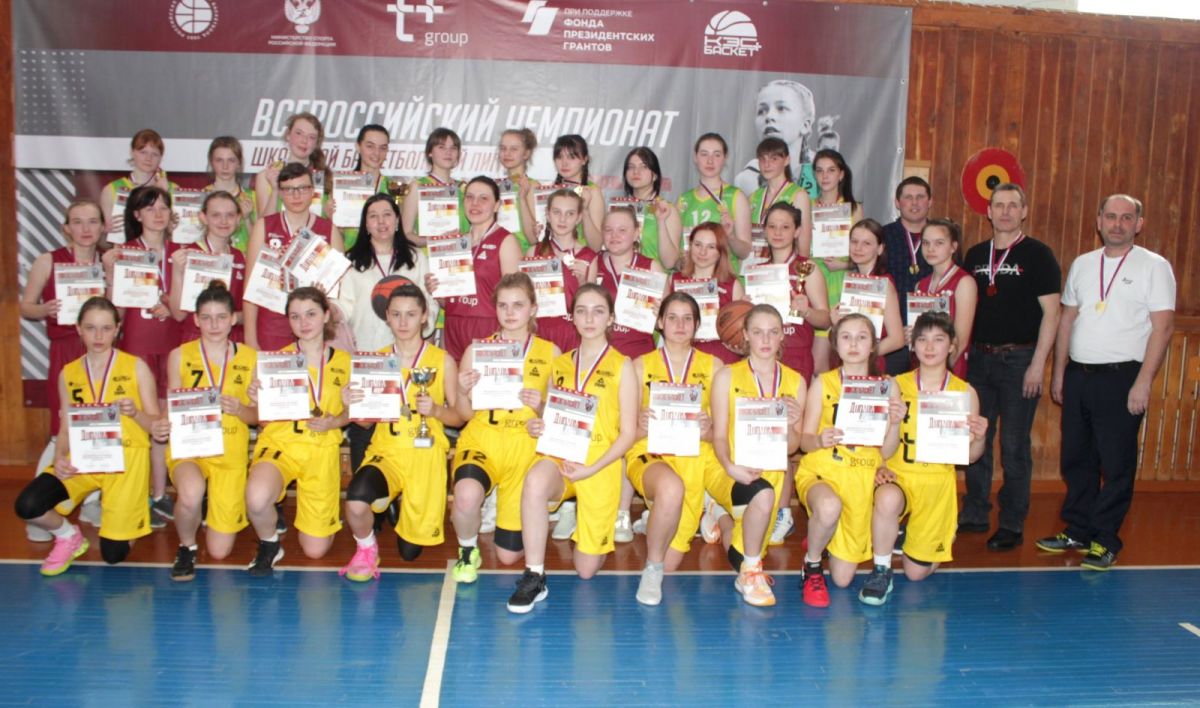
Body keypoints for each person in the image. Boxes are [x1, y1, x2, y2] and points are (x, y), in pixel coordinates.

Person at [1037, 194, 1175, 570]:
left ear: (1138, 224)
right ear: (1098, 221)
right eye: (1111, 216)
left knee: (1116, 463)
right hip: (1079, 375)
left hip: (1122, 377)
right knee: (1076, 458)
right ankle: (1078, 529)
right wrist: (1059, 372)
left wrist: (1143, 382)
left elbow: (1163, 329)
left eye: (1126, 218)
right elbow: (1067, 319)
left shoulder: (1154, 267)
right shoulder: (1083, 264)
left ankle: (1105, 539)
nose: (1117, 224)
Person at [506, 284, 638, 613]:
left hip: (600, 465)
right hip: (561, 456)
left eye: (598, 311)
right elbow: (555, 415)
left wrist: (591, 469)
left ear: (611, 318)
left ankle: (589, 519)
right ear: (572, 318)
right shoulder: (561, 363)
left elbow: (628, 434)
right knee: (534, 481)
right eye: (581, 311)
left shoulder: (624, 366)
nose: (589, 318)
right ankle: (534, 574)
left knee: (586, 570)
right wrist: (540, 422)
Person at [14, 297, 160, 575]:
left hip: (126, 461)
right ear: (79, 329)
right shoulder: (68, 373)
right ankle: (69, 536)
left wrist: (135, 414)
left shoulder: (136, 367)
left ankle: (129, 512)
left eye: (106, 328)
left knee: (113, 555)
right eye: (91, 328)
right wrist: (60, 457)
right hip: (84, 458)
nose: (98, 336)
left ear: (117, 329)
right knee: (28, 504)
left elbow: (155, 426)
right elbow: (66, 426)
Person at [959, 184, 1061, 551]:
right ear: (988, 212)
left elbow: (1052, 314)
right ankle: (975, 512)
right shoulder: (975, 255)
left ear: (1024, 211)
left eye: (1012, 205)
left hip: (1019, 360)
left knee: (1015, 445)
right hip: (979, 358)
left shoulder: (1038, 254)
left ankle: (1012, 522)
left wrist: (1038, 364)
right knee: (976, 438)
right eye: (999, 205)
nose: (1005, 212)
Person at [338, 284, 463, 581]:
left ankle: (392, 501)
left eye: (411, 314)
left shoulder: (442, 361)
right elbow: (364, 424)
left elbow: (458, 418)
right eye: (396, 314)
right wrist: (351, 406)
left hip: (425, 456)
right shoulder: (375, 361)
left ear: (424, 316)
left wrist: (436, 410)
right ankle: (366, 548)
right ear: (387, 317)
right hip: (387, 453)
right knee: (355, 500)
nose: (403, 322)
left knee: (409, 553)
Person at [867, 311, 987, 605]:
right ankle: (881, 570)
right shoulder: (894, 384)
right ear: (913, 345)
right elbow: (878, 445)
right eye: (922, 339)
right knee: (887, 499)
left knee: (915, 574)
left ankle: (937, 536)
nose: (929, 347)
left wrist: (980, 436)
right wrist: (881, 462)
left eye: (938, 339)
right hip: (899, 475)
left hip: (936, 484)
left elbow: (971, 457)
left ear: (952, 345)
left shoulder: (965, 393)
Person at [450, 273, 558, 583]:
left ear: (533, 309)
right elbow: (464, 414)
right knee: (466, 496)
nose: (510, 313)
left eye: (518, 305)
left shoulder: (550, 353)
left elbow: (558, 417)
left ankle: (522, 506)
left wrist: (541, 406)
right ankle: (467, 550)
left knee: (508, 556)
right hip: (484, 437)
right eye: (503, 305)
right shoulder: (476, 351)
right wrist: (461, 391)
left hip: (525, 445)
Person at [795, 313, 903, 607]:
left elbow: (887, 452)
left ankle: (828, 534)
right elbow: (804, 441)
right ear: (835, 344)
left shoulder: (888, 387)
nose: (853, 344)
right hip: (823, 470)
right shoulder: (823, 383)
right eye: (846, 337)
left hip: (862, 475)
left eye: (861, 337)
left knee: (842, 579)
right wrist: (819, 440)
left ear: (873, 345)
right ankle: (812, 564)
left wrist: (895, 423)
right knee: (829, 506)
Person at [244, 287, 350, 575]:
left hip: (321, 449)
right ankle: (269, 543)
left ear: (326, 315)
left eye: (311, 314)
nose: (303, 323)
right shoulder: (272, 362)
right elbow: (258, 418)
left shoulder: (346, 363)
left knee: (315, 551)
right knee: (256, 497)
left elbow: (356, 416)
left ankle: (326, 518)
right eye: (295, 316)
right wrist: (256, 399)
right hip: (281, 443)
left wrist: (337, 419)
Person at [625, 292, 723, 604]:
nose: (680, 325)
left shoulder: (715, 367)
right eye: (672, 318)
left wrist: (709, 431)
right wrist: (641, 424)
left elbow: (722, 433)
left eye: (687, 319)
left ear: (697, 325)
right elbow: (625, 431)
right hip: (649, 451)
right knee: (670, 488)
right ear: (659, 323)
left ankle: (656, 519)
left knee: (673, 561)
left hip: (694, 457)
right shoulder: (638, 366)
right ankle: (651, 569)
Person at [706, 304, 806, 606]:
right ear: (746, 335)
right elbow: (718, 435)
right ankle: (751, 574)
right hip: (727, 467)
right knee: (761, 501)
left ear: (782, 336)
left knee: (739, 551)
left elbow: (792, 447)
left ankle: (719, 516)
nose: (766, 339)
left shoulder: (795, 382)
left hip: (769, 473)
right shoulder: (726, 376)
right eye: (758, 332)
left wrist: (790, 423)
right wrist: (730, 467)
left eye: (773, 332)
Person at [19, 200, 108, 540]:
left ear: (102, 226)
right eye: (78, 222)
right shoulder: (49, 261)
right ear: (66, 227)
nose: (86, 229)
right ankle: (39, 509)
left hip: (102, 352)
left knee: (98, 425)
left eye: (92, 221)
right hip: (67, 350)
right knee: (63, 429)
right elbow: (25, 306)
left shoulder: (108, 262)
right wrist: (45, 309)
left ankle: (91, 501)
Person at [163, 282, 258, 581]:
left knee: (219, 551)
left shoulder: (252, 358)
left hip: (230, 453)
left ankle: (207, 512)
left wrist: (240, 409)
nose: (214, 325)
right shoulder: (179, 356)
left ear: (233, 319)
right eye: (206, 317)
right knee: (191, 493)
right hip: (190, 446)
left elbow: (257, 418)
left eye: (221, 317)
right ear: (196, 319)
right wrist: (162, 424)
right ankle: (187, 546)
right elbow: (171, 408)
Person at [335, 192, 436, 472]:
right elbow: (344, 307)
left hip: (409, 360)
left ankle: (407, 486)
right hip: (369, 359)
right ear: (365, 224)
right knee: (365, 430)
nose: (381, 222)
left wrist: (425, 323)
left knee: (409, 426)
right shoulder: (350, 261)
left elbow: (429, 304)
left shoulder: (416, 259)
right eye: (373, 216)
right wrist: (328, 309)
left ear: (398, 221)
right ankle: (365, 488)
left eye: (387, 215)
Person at [103, 185, 181, 528]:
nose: (158, 214)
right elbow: (116, 312)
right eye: (150, 208)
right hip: (137, 345)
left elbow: (185, 309)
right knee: (142, 424)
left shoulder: (181, 253)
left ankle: (161, 494)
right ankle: (143, 494)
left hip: (174, 344)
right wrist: (111, 275)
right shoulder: (125, 253)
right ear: (136, 214)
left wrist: (170, 305)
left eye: (163, 207)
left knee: (165, 422)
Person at [758, 202, 831, 544]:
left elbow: (825, 318)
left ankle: (784, 512)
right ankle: (764, 503)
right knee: (763, 433)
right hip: (763, 357)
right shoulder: (757, 269)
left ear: (798, 231)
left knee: (786, 435)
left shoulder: (808, 269)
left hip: (795, 356)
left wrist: (807, 310)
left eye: (785, 226)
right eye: (772, 226)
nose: (778, 232)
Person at [244, 162, 344, 352]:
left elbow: (339, 291)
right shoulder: (264, 226)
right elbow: (250, 287)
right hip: (272, 326)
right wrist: (250, 338)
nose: (296, 196)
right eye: (289, 190)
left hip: (314, 329)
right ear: (280, 193)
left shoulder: (329, 230)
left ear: (313, 191)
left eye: (302, 188)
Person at [425, 176, 522, 361]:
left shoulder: (506, 240)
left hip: (489, 325)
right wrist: (436, 291)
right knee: (452, 379)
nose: (475, 203)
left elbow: (515, 298)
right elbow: (449, 302)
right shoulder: (453, 243)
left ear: (497, 205)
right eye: (469, 197)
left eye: (483, 198)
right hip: (453, 326)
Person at [167, 190, 247, 344]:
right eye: (216, 215)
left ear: (238, 218)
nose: (224, 221)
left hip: (233, 340)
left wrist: (232, 317)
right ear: (203, 217)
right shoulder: (188, 255)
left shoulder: (241, 258)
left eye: (230, 215)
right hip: (195, 339)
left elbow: (248, 314)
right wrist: (177, 271)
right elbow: (178, 315)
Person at [810, 149, 864, 373]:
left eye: (831, 170)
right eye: (820, 170)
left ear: (841, 174)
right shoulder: (807, 206)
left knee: (844, 355)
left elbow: (864, 254)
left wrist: (842, 264)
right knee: (816, 364)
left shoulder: (854, 209)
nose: (825, 176)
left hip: (841, 282)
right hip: (813, 282)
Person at [585, 206, 663, 361]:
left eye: (622, 230)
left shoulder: (651, 267)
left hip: (640, 356)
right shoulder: (593, 263)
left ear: (636, 233)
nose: (614, 235)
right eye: (608, 230)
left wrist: (660, 315)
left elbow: (664, 323)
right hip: (600, 355)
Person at [829, 218, 907, 369]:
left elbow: (897, 339)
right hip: (852, 361)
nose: (858, 248)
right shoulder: (852, 280)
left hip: (872, 365)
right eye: (854, 241)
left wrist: (863, 356)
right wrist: (836, 324)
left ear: (880, 249)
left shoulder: (884, 284)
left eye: (867, 243)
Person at [526, 188, 596, 353]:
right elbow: (524, 297)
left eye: (570, 214)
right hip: (539, 330)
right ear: (548, 214)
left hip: (574, 333)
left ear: (579, 218)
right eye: (557, 212)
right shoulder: (533, 252)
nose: (562, 219)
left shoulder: (589, 257)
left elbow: (591, 306)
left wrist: (582, 282)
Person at [669, 222, 744, 364]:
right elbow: (662, 325)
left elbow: (742, 337)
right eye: (698, 245)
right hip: (683, 359)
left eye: (711, 247)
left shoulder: (732, 285)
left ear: (721, 251)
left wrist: (745, 321)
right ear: (690, 246)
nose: (702, 252)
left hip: (721, 360)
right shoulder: (674, 280)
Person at [882, 177, 935, 375]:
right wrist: (896, 331)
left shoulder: (941, 237)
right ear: (897, 202)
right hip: (892, 338)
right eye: (908, 197)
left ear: (930, 202)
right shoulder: (883, 236)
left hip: (931, 337)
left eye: (920, 197)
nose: (914, 203)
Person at [677, 134, 752, 273]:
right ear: (695, 157)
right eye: (704, 154)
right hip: (691, 279)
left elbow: (744, 252)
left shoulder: (736, 196)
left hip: (723, 279)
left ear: (725, 158)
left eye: (717, 155)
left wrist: (730, 237)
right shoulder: (684, 199)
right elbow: (677, 249)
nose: (710, 161)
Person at [913, 218, 976, 378]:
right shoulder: (920, 285)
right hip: (922, 367)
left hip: (950, 369)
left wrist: (940, 373)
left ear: (953, 247)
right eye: (926, 243)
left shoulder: (964, 282)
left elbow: (960, 340)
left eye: (939, 243)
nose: (930, 249)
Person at [734, 80, 818, 198]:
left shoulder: (821, 170)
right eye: (761, 111)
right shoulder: (748, 179)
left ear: (806, 125)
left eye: (781, 108)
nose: (769, 117)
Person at [98, 128, 176, 242]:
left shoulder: (173, 189)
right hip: (124, 250)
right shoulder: (111, 190)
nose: (148, 158)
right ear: (132, 152)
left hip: (162, 250)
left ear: (161, 158)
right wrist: (104, 231)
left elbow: (177, 235)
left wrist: (162, 194)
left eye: (154, 154)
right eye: (143, 152)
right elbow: (105, 240)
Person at [254, 112, 331, 219]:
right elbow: (264, 224)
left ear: (317, 143)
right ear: (288, 135)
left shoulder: (324, 177)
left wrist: (330, 216)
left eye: (311, 137)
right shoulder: (266, 176)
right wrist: (275, 190)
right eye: (299, 133)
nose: (304, 141)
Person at [401, 127, 469, 247]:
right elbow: (406, 234)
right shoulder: (417, 187)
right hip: (429, 256)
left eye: (453, 148)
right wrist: (436, 241)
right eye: (441, 147)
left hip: (462, 255)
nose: (448, 152)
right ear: (430, 152)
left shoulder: (464, 188)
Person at [748, 137, 813, 255]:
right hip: (754, 263)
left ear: (787, 160)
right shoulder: (754, 197)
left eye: (774, 159)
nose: (767, 164)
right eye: (762, 159)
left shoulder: (798, 195)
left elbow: (803, 248)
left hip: (783, 265)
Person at [622, 147, 683, 269]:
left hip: (654, 277)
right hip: (622, 278)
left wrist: (661, 221)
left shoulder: (666, 210)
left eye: (643, 167)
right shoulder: (619, 209)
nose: (636, 172)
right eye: (631, 167)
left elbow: (670, 262)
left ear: (655, 175)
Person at [338, 124, 392, 250]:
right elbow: (337, 234)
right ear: (358, 146)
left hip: (384, 256)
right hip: (350, 255)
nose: (376, 153)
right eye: (370, 146)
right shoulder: (343, 186)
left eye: (383, 148)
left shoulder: (393, 188)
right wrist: (333, 219)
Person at [551, 134, 606, 250]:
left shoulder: (592, 191)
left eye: (571, 157)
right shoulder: (550, 191)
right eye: (559, 157)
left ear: (584, 160)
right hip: (551, 255)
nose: (564, 163)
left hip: (581, 257)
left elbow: (596, 245)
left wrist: (584, 210)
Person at [202, 136, 256, 252]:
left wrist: (247, 219)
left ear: (239, 163)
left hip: (243, 260)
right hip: (209, 259)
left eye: (231, 160)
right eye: (219, 160)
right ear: (211, 162)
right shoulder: (201, 197)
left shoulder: (252, 197)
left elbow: (260, 244)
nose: (225, 167)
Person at [496, 128, 540, 252]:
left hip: (523, 254)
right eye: (503, 148)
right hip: (496, 253)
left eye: (514, 149)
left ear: (526, 154)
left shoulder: (532, 186)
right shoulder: (495, 187)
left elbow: (534, 238)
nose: (507, 153)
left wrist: (522, 199)